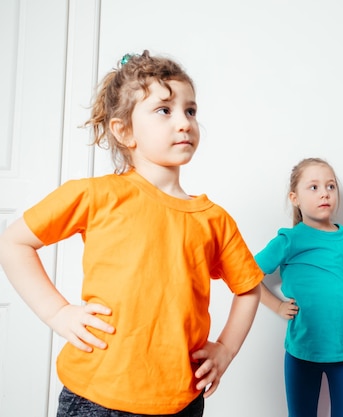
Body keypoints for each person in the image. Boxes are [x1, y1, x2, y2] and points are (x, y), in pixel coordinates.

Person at [0, 50, 264, 417]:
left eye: (190, 110)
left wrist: (226, 349)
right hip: (95, 397)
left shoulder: (213, 218)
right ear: (124, 131)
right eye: (164, 110)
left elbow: (248, 288)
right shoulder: (95, 195)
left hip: (181, 402)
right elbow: (13, 243)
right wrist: (58, 313)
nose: (184, 122)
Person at [255, 157, 343, 417]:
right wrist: (276, 305)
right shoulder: (289, 239)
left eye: (331, 187)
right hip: (302, 350)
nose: (325, 194)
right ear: (294, 197)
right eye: (314, 187)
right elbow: (247, 275)